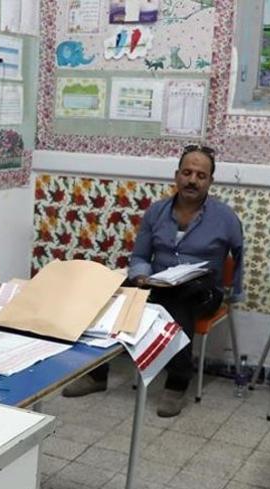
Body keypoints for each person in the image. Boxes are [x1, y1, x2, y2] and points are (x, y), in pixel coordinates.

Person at [61, 145, 244, 418]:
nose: (192, 180)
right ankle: (96, 375)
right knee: (111, 297)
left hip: (202, 291)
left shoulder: (225, 217)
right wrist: (141, 276)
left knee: (178, 306)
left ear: (210, 181)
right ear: (176, 176)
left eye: (201, 175)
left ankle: (177, 383)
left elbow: (240, 255)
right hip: (158, 283)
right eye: (187, 172)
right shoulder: (156, 212)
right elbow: (140, 255)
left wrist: (234, 292)